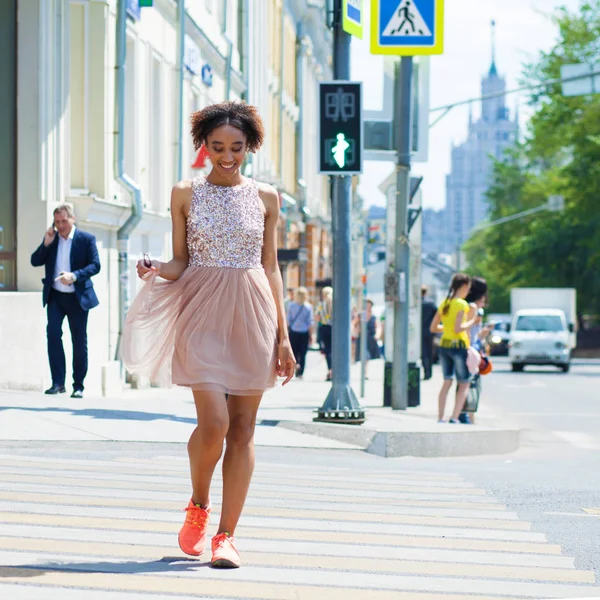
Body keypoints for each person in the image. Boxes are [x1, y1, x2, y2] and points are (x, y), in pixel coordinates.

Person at [121, 101, 296, 569]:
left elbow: (271, 267)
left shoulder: (266, 198)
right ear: (204, 145)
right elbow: (181, 260)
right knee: (214, 423)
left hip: (254, 311)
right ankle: (198, 504)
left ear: (249, 147)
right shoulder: (184, 193)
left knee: (242, 430)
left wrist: (283, 336)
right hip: (200, 311)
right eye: (217, 146)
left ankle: (227, 537)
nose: (226, 155)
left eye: (236, 147)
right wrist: (156, 268)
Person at [30, 204, 101, 398]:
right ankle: (58, 383)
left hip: (77, 298)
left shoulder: (86, 239)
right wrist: (45, 243)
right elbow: (35, 261)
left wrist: (75, 275)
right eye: (57, 222)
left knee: (78, 341)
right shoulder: (52, 240)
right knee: (53, 334)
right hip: (56, 296)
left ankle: (78, 385)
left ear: (73, 219)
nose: (60, 225)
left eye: (63, 221)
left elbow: (96, 265)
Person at [429, 273, 476, 423]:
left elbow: (433, 327)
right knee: (464, 383)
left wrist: (446, 328)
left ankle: (440, 417)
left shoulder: (445, 303)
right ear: (463, 286)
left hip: (444, 345)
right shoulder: (462, 304)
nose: (468, 291)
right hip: (458, 346)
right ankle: (454, 417)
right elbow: (458, 328)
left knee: (447, 381)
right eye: (468, 288)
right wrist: (472, 321)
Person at [459, 277, 492, 424]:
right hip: (470, 350)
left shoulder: (469, 306)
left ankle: (468, 416)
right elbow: (470, 332)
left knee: (468, 383)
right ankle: (465, 415)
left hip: (470, 348)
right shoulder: (472, 308)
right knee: (468, 383)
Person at [286, 287, 314, 379]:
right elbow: (310, 322)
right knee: (303, 353)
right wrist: (311, 334)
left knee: (293, 351)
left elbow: (288, 320)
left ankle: (295, 365)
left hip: (293, 332)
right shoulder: (308, 306)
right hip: (304, 332)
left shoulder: (291, 305)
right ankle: (300, 372)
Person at [355, 299, 380, 378]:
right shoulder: (361, 315)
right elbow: (353, 324)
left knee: (367, 357)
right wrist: (355, 332)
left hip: (370, 339)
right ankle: (364, 372)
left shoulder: (374, 317)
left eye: (369, 305)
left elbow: (378, 327)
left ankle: (364, 372)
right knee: (364, 355)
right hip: (362, 338)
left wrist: (377, 335)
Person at [315, 286, 333, 381]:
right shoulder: (336, 304)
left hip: (324, 328)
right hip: (335, 329)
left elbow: (317, 318)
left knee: (328, 350)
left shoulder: (321, 305)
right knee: (334, 350)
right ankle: (335, 370)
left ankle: (330, 370)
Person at [421, 285, 437, 380]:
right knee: (430, 352)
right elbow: (438, 316)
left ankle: (425, 371)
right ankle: (429, 372)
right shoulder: (431, 304)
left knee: (424, 352)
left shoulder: (417, 304)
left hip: (420, 332)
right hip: (431, 331)